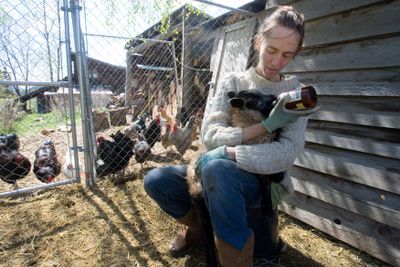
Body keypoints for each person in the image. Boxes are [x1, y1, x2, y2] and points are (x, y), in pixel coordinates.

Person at [144, 6, 317, 266]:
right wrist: (265, 127)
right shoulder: (233, 82)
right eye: (271, 50)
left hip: (264, 181)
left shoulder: (296, 94)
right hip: (218, 167)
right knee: (157, 180)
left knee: (217, 168)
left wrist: (229, 152)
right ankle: (202, 229)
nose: (276, 62)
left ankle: (235, 261)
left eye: (287, 55)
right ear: (259, 41)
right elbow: (210, 135)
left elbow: (285, 154)